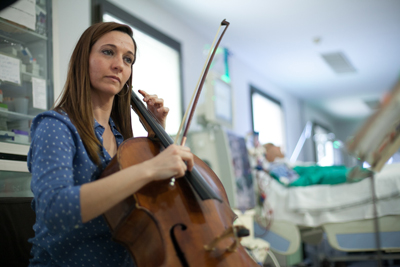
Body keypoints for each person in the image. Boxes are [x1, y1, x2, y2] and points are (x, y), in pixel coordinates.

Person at [27, 22, 194, 266]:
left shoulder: (121, 140)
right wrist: (150, 167)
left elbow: (147, 205)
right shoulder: (56, 126)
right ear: (84, 58)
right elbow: (54, 210)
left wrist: (156, 136)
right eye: (108, 52)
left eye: (128, 59)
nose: (119, 64)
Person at [261, 143, 369, 186]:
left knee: (328, 170)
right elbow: (294, 182)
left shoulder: (284, 164)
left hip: (312, 171)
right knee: (327, 174)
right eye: (275, 146)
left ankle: (360, 172)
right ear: (268, 153)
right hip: (310, 177)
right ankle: (360, 173)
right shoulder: (274, 168)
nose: (279, 147)